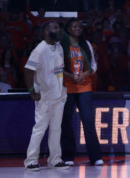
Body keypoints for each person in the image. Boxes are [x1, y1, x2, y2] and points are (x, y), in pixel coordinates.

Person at [23, 21, 70, 172]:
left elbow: (59, 70)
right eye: (55, 27)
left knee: (56, 129)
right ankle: (30, 160)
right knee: (40, 128)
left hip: (58, 94)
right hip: (44, 95)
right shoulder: (40, 49)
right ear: (46, 32)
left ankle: (55, 159)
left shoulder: (59, 47)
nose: (59, 30)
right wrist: (32, 91)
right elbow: (28, 70)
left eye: (58, 27)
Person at [60, 18, 103, 167]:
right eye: (74, 26)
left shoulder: (86, 44)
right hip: (67, 86)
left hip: (84, 86)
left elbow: (94, 66)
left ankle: (95, 156)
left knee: (88, 120)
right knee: (66, 121)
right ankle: (68, 156)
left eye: (79, 26)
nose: (78, 28)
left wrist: (84, 75)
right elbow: (57, 67)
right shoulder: (62, 45)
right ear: (68, 30)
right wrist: (71, 76)